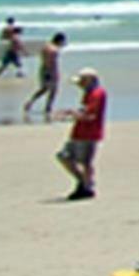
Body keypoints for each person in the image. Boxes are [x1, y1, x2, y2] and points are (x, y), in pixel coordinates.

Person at [57, 69, 107, 199]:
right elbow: (84, 111)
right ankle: (83, 182)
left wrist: (74, 115)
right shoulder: (88, 93)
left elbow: (91, 115)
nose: (79, 85)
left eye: (82, 82)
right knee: (64, 156)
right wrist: (72, 113)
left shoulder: (97, 94)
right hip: (78, 132)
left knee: (85, 162)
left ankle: (86, 186)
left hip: (89, 133)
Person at [23, 32, 67, 118]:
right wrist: (53, 73)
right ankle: (48, 107)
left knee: (44, 88)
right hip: (50, 71)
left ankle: (30, 101)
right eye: (62, 42)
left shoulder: (45, 47)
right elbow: (51, 62)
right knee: (53, 90)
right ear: (59, 41)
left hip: (43, 69)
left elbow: (44, 59)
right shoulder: (54, 50)